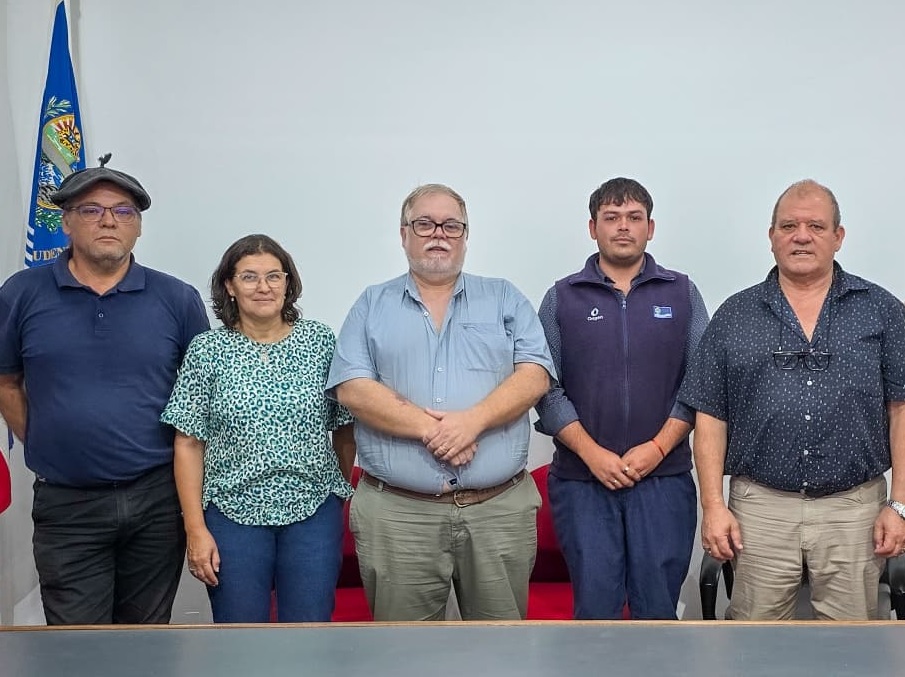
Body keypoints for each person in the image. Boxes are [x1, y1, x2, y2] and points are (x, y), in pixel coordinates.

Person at [326, 183, 555, 621]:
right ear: (403, 233)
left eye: (451, 225)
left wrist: (472, 423)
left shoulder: (505, 297)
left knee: (501, 654)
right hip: (398, 516)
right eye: (424, 223)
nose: (438, 234)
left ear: (465, 235)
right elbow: (353, 387)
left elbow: (535, 375)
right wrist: (435, 429)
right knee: (404, 658)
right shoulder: (372, 304)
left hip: (498, 512)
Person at [679, 179, 905, 620]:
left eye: (816, 226)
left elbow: (902, 409)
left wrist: (899, 505)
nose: (802, 236)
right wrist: (713, 507)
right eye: (789, 226)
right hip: (760, 510)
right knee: (755, 647)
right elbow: (709, 416)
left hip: (854, 510)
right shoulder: (735, 314)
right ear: (772, 237)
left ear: (838, 237)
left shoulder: (880, 309)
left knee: (851, 649)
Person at [0, 160, 210, 624]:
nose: (109, 220)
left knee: (146, 638)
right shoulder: (21, 293)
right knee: (76, 645)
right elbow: (6, 381)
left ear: (138, 227)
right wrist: (48, 441)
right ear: (66, 222)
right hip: (67, 503)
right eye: (92, 209)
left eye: (124, 211)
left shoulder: (177, 299)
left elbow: (201, 397)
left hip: (157, 499)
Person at [534, 177, 708, 619]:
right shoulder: (561, 298)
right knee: (595, 613)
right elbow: (544, 387)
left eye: (634, 218)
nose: (623, 227)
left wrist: (657, 448)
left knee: (657, 611)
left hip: (664, 479)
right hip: (582, 481)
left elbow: (701, 383)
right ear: (592, 228)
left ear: (651, 227)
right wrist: (592, 454)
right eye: (611, 218)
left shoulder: (683, 293)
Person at [160, 234, 355, 623]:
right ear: (229, 286)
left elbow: (344, 428)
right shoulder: (207, 350)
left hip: (312, 512)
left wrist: (337, 493)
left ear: (288, 283)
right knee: (239, 637)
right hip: (231, 515)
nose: (263, 287)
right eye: (249, 277)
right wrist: (196, 529)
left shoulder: (319, 341)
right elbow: (187, 442)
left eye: (274, 276)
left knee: (310, 633)